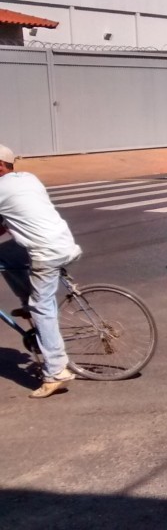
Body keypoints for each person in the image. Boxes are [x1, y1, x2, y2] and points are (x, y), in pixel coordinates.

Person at [0, 144, 83, 398]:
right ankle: (28, 302)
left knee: (42, 307)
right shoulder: (29, 178)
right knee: (5, 254)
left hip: (46, 253)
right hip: (63, 242)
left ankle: (56, 371)